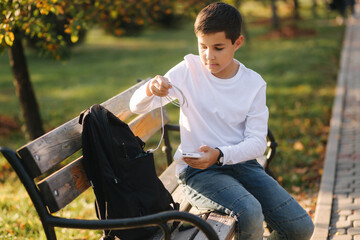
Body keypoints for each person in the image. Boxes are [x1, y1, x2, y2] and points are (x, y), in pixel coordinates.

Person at [130, 2, 314, 239]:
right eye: (202, 46)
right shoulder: (188, 71)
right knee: (249, 211)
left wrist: (220, 154)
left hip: (242, 165)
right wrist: (150, 89)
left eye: (218, 47)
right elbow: (136, 107)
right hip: (198, 172)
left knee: (301, 228)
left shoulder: (253, 83)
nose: (208, 56)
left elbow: (258, 143)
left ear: (237, 43)